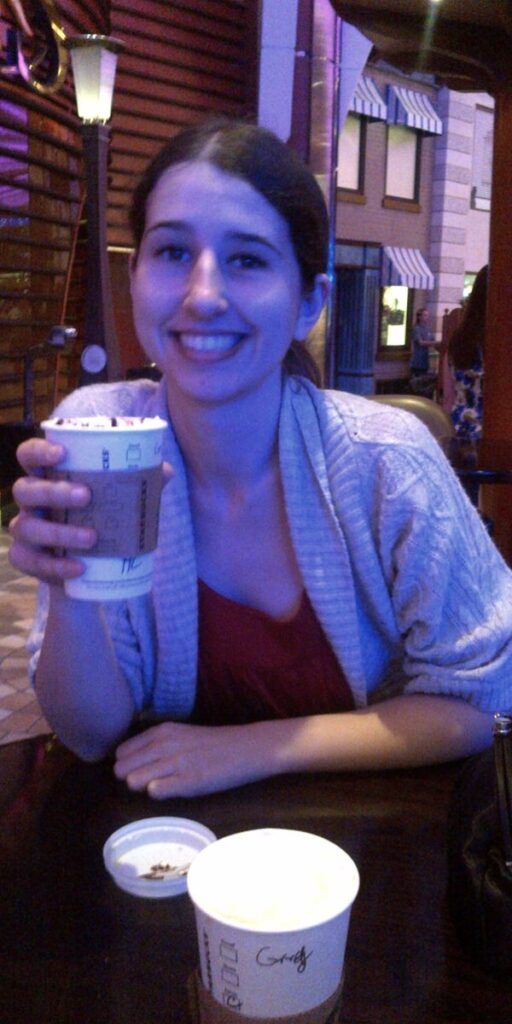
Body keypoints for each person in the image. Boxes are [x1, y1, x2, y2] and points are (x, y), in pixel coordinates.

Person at [8, 119, 512, 800]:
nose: (202, 295)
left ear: (309, 301)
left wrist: (255, 748)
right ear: (135, 277)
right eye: (172, 251)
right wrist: (71, 589)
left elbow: (487, 701)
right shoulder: (100, 437)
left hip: (365, 842)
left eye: (246, 259)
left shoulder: (386, 462)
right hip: (164, 841)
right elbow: (90, 735)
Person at [448, 266, 487, 441]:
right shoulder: (499, 342)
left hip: (459, 428)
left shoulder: (459, 337)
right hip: (493, 433)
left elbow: (448, 396)